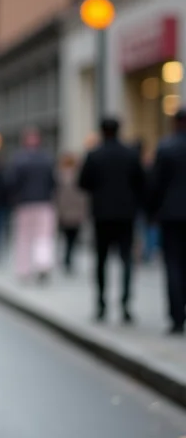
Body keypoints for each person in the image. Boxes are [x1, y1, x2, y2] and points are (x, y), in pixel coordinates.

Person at [79, 117, 145, 323]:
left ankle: (101, 303)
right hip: (126, 215)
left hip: (102, 215)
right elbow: (142, 182)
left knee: (101, 260)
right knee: (126, 260)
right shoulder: (131, 154)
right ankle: (125, 303)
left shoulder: (94, 155)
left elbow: (83, 182)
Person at [148, 108, 186, 335]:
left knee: (173, 264)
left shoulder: (166, 147)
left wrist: (152, 211)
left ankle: (176, 316)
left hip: (171, 215)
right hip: (171, 214)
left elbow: (155, 184)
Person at [7, 127, 56, 282]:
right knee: (44, 236)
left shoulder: (19, 159)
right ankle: (43, 265)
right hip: (44, 202)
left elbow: (11, 182)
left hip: (24, 203)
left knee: (24, 238)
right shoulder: (47, 159)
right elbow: (53, 182)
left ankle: (24, 269)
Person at [55, 152, 88, 275]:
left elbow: (57, 197)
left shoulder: (60, 176)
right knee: (72, 239)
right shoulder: (77, 176)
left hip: (65, 212)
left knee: (66, 238)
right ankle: (68, 259)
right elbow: (84, 197)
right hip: (75, 213)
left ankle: (66, 259)